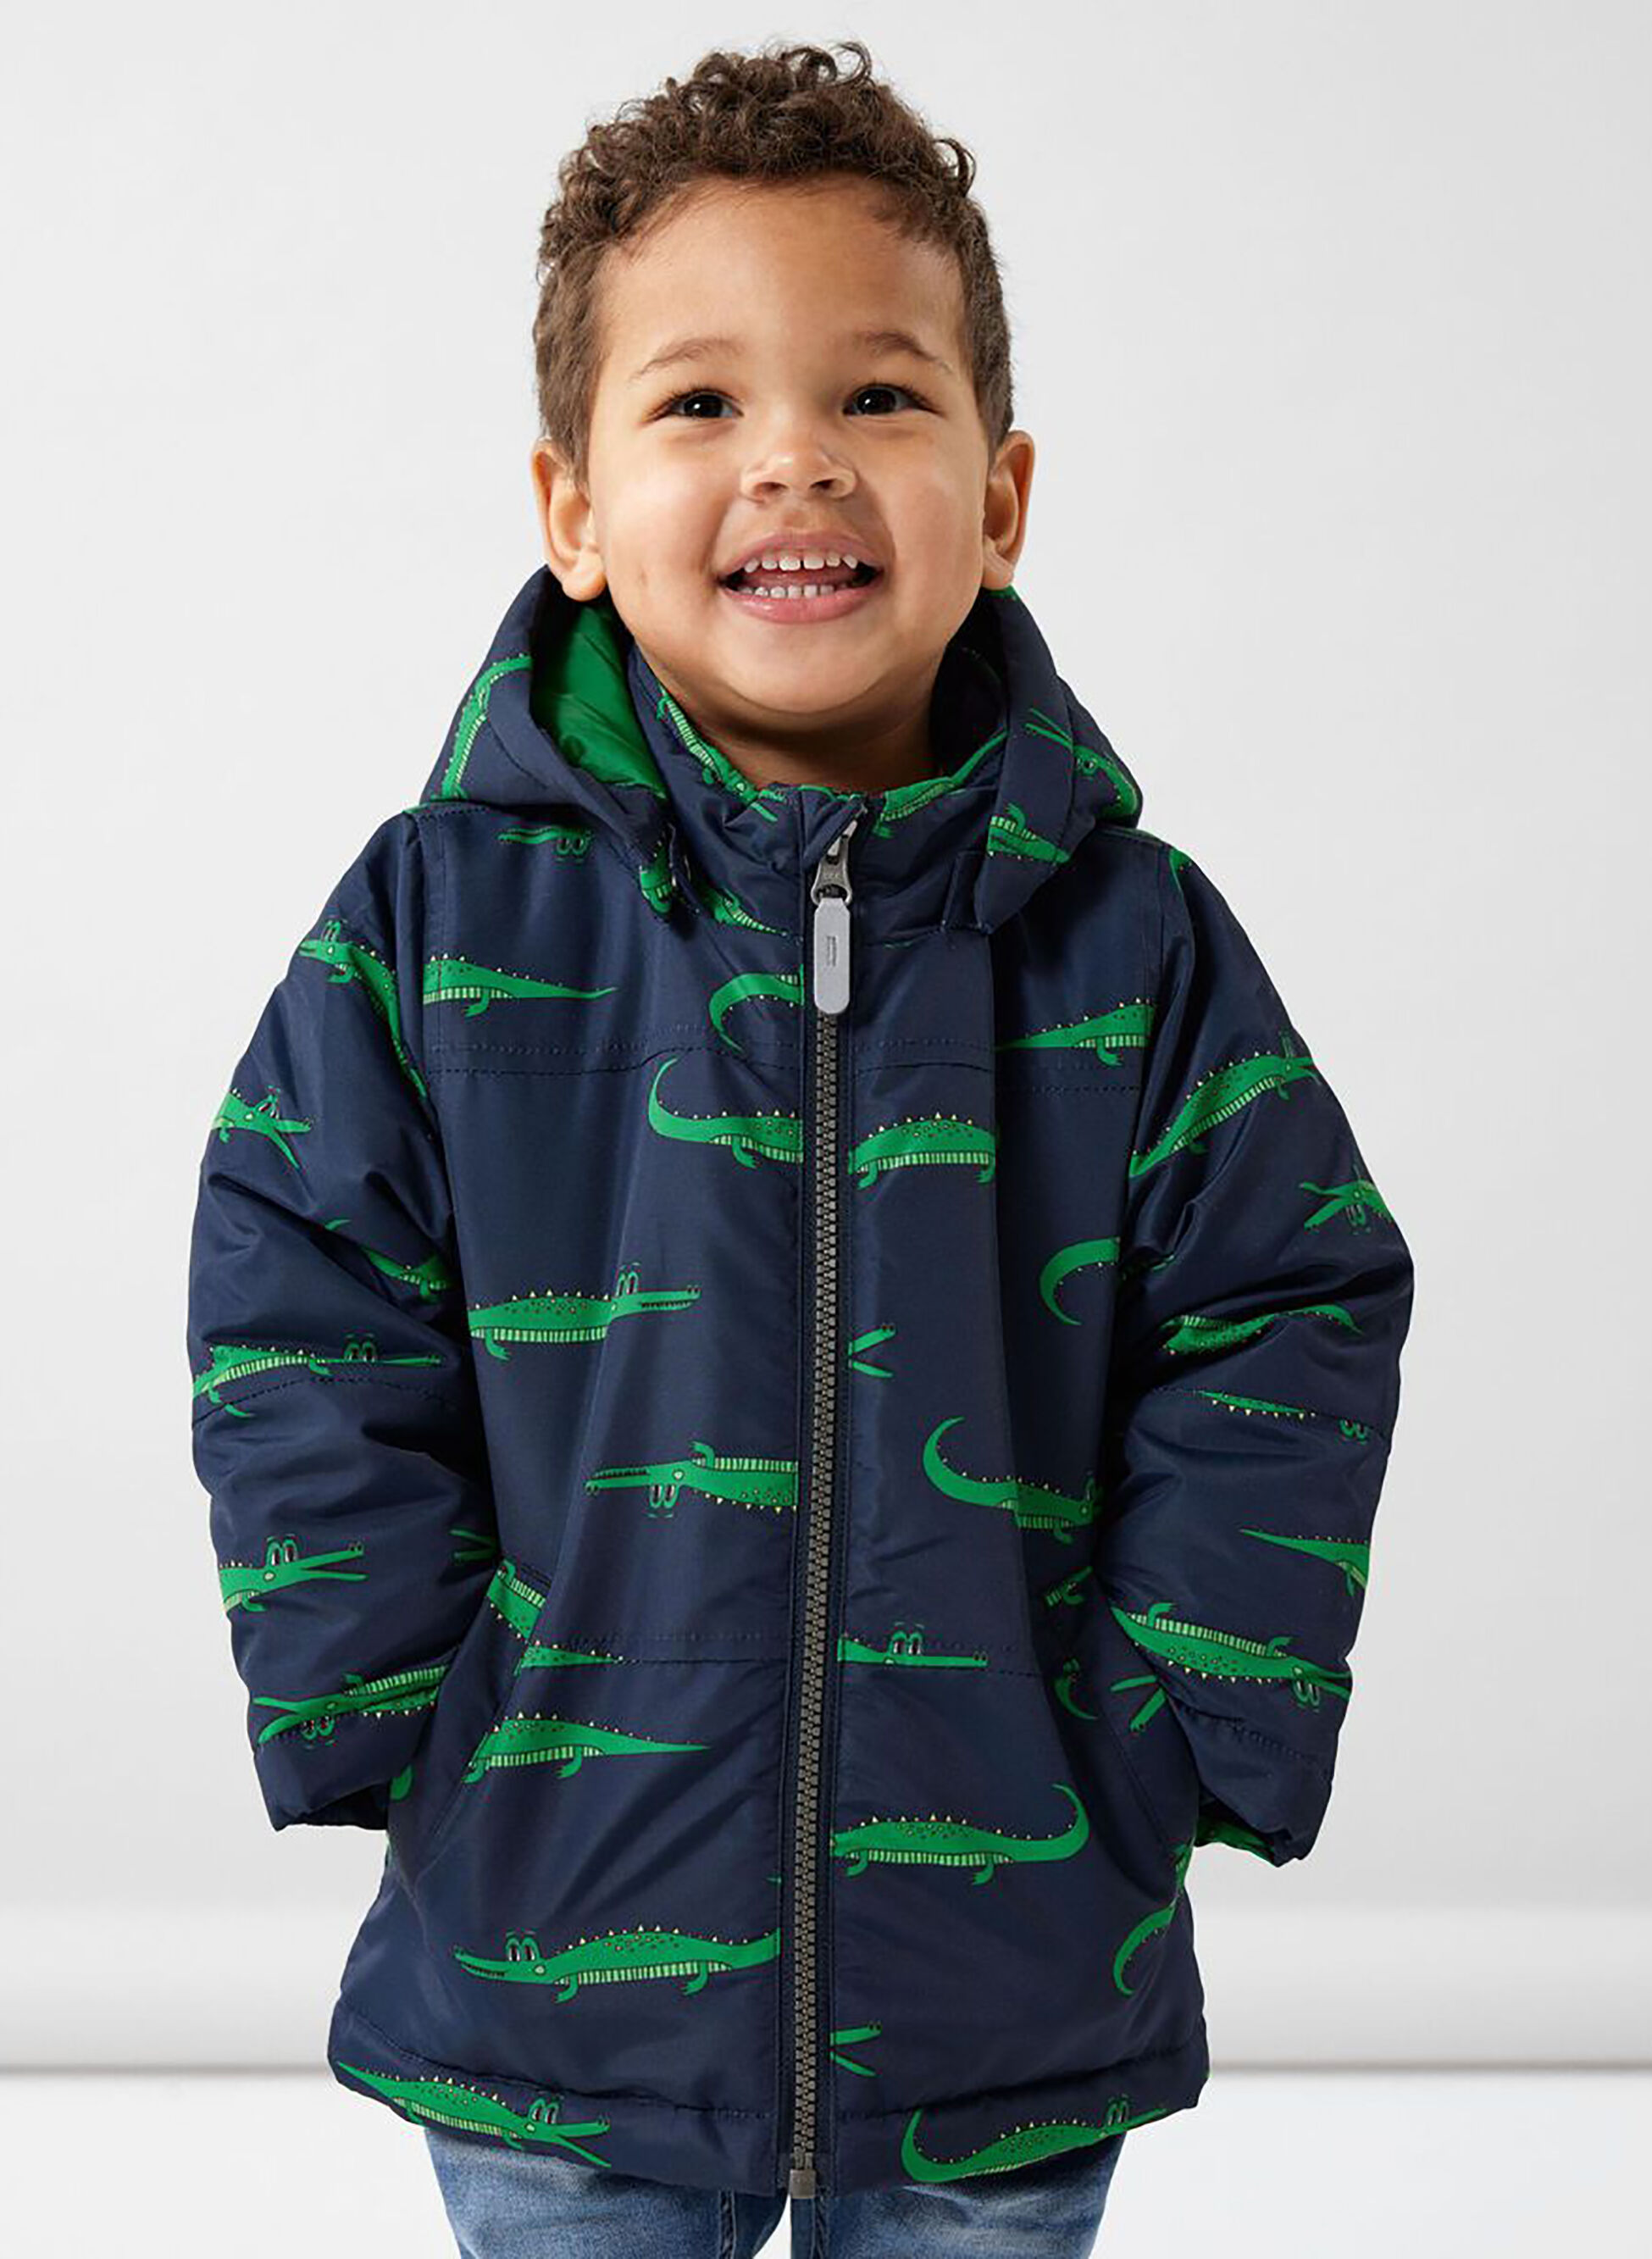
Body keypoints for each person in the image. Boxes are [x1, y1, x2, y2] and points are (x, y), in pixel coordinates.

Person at [186, 36, 1416, 2259]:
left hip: (1006, 1973)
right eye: (698, 401)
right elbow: (297, 1287)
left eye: (875, 393)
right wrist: (397, 1712)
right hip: (555, 1957)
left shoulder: (1132, 945)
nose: (794, 459)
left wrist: (1178, 1726)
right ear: (570, 507)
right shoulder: (439, 923)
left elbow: (1291, 1296)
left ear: (1000, 496)